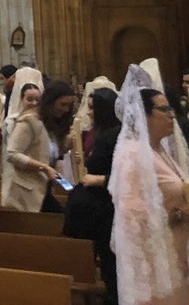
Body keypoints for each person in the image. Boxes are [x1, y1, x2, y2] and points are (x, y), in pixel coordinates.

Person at [108, 66, 189, 305]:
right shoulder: (132, 154)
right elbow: (131, 215)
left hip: (171, 251)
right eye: (164, 109)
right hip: (150, 262)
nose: (172, 115)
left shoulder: (160, 150)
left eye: (170, 108)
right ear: (145, 115)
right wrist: (182, 214)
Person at [64, 87, 121, 303]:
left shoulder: (116, 134)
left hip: (106, 206)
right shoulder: (95, 130)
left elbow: (124, 172)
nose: (88, 112)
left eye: (92, 108)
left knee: (110, 260)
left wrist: (99, 179)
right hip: (92, 206)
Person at [2, 81, 58, 212]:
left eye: (37, 99)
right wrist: (43, 166)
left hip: (42, 181)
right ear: (22, 99)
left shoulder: (43, 119)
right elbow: (11, 153)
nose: (34, 103)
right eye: (29, 99)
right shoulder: (21, 121)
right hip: (24, 181)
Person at [36, 80, 77, 212]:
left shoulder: (57, 126)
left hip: (47, 187)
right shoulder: (35, 124)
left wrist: (69, 188)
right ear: (50, 102)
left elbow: (53, 160)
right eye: (63, 104)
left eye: (69, 106)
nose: (66, 109)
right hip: (34, 188)